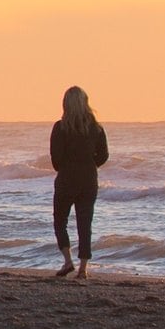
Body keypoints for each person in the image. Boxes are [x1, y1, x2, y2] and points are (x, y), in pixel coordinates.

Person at [49, 86, 110, 279]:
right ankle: (83, 268)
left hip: (67, 178)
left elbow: (55, 159)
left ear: (65, 104)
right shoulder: (96, 128)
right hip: (88, 179)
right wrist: (90, 165)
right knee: (85, 223)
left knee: (60, 220)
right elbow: (104, 155)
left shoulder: (60, 127)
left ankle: (68, 261)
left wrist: (66, 167)